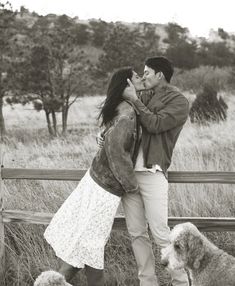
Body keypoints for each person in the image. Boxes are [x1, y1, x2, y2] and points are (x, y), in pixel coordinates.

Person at [38, 67, 144, 286]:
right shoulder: (127, 113)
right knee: (91, 244)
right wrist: (133, 186)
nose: (140, 79)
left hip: (96, 181)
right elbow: (117, 153)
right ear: (126, 85)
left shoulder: (121, 107)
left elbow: (108, 140)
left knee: (84, 244)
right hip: (104, 190)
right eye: (136, 77)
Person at [121, 56, 190, 286]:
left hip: (153, 172)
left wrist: (135, 100)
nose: (143, 76)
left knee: (161, 232)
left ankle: (181, 282)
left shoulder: (179, 101)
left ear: (160, 75)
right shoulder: (141, 95)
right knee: (136, 233)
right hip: (129, 174)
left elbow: (155, 124)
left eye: (147, 72)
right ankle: (147, 283)